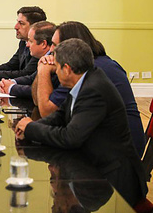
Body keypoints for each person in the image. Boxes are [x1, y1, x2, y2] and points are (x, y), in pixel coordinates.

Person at [15, 39, 147, 207]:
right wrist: (27, 126)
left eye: (56, 67)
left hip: (114, 181)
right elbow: (60, 116)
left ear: (67, 69)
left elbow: (70, 137)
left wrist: (31, 128)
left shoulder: (94, 89)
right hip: (96, 163)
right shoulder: (84, 80)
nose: (54, 72)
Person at [35, 21, 145, 156]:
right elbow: (48, 107)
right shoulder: (95, 64)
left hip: (120, 152)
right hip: (110, 140)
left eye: (55, 45)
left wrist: (43, 71)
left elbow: (47, 111)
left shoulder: (85, 70)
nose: (51, 50)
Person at [0, 6, 46, 82]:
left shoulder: (39, 46)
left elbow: (26, 73)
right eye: (17, 22)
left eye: (21, 23)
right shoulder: (23, 42)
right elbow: (11, 65)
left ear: (34, 27)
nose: (16, 27)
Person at [0, 21, 56, 98]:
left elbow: (39, 92)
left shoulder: (52, 61)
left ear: (43, 44)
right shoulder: (44, 57)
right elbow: (31, 78)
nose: (27, 45)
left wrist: (11, 88)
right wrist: (10, 82)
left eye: (30, 41)